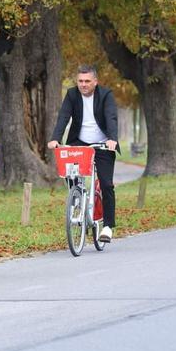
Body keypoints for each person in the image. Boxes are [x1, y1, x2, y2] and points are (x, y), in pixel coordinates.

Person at [47, 65, 119, 243]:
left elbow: (111, 118)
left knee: (106, 184)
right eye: (80, 81)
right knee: (70, 173)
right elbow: (63, 117)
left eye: (87, 81)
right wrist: (56, 138)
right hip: (79, 142)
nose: (83, 84)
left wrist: (112, 139)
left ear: (95, 81)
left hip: (102, 144)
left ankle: (108, 226)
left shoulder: (105, 95)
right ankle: (77, 198)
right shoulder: (72, 95)